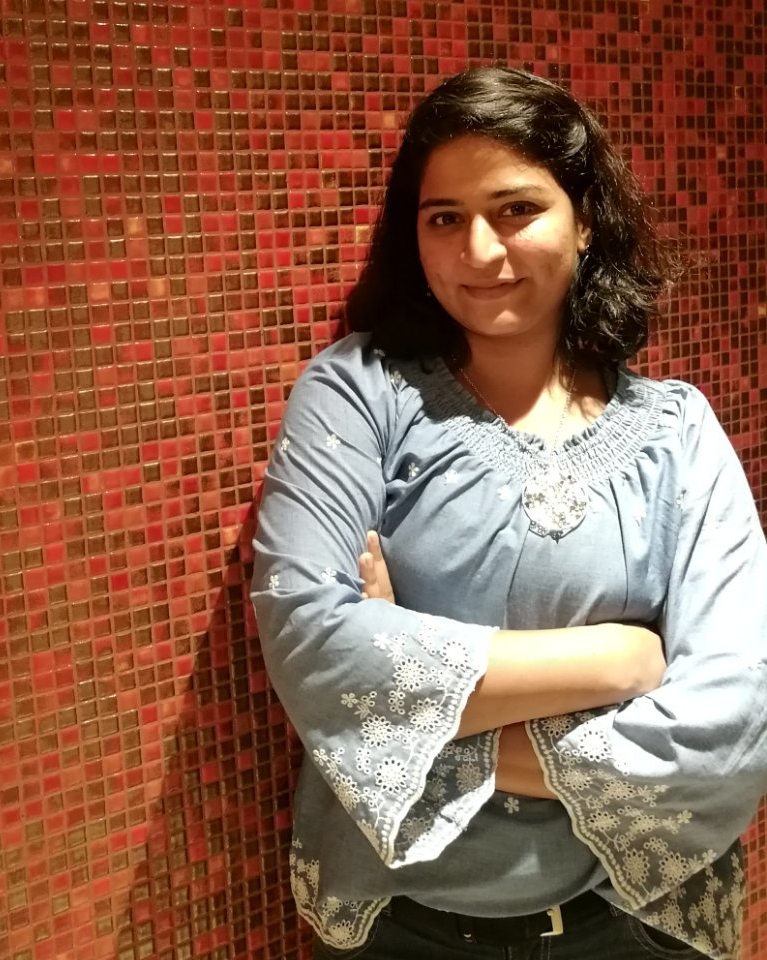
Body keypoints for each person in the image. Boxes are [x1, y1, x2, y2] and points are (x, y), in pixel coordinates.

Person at [249, 66, 767, 960]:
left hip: (635, 931)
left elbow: (732, 721)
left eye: (516, 209)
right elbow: (311, 643)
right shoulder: (359, 394)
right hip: (401, 929)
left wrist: (418, 703)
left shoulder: (676, 432)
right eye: (444, 218)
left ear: (586, 218)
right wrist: (619, 661)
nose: (479, 252)